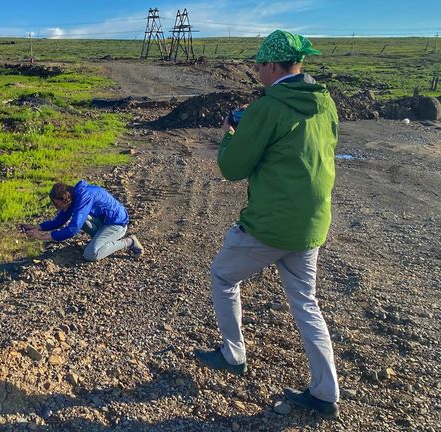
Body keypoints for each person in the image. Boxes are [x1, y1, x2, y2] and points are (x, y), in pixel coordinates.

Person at [194, 30, 341, 419]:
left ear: (274, 66)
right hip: (311, 226)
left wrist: (231, 132)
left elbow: (232, 168)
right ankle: (326, 393)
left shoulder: (267, 108)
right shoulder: (325, 103)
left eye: (260, 64)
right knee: (306, 304)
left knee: (223, 276)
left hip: (271, 225)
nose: (257, 70)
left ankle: (233, 353)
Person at [21, 180, 144, 261]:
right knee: (80, 218)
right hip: (103, 223)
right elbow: (59, 221)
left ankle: (129, 241)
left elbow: (73, 229)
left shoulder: (84, 197)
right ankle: (101, 241)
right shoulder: (73, 196)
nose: (57, 208)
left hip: (117, 224)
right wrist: (37, 227)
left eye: (58, 205)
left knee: (90, 254)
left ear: (65, 199)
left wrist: (44, 237)